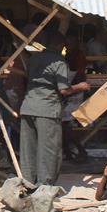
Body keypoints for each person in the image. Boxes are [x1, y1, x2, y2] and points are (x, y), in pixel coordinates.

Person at [19, 30, 89, 186]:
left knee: (28, 149)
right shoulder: (58, 62)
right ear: (59, 45)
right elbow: (64, 89)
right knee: (48, 150)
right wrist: (80, 86)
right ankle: (45, 184)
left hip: (28, 107)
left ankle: (28, 182)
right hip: (47, 110)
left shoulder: (34, 58)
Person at [62, 30, 89, 161]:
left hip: (74, 92)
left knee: (65, 124)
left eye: (71, 42)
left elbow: (79, 73)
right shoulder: (68, 55)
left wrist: (70, 90)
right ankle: (70, 152)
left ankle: (78, 150)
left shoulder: (78, 56)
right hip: (70, 91)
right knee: (64, 125)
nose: (68, 45)